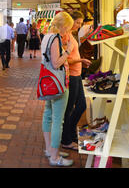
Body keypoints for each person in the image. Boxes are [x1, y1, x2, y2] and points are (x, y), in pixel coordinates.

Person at [41, 11, 75, 167]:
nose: (68, 32)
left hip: (49, 84)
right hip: (58, 83)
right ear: (62, 26)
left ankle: (50, 149)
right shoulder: (55, 38)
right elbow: (56, 63)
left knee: (48, 115)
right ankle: (54, 157)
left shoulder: (47, 36)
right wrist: (68, 50)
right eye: (68, 28)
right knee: (57, 121)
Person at [61, 11, 91, 151]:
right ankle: (66, 139)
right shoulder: (66, 36)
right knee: (70, 109)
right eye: (77, 22)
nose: (79, 25)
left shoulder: (71, 35)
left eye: (80, 23)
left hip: (77, 74)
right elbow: (65, 60)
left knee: (81, 106)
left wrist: (81, 62)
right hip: (72, 75)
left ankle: (71, 133)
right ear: (70, 21)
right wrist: (80, 60)